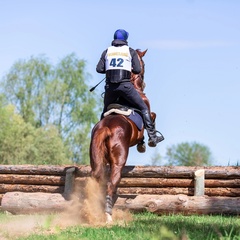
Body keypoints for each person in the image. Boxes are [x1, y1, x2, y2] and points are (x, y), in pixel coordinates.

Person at [96, 29, 164, 147]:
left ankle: (98, 138)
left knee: (105, 112)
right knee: (143, 108)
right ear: (125, 39)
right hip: (125, 87)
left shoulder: (107, 51)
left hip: (110, 89)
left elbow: (99, 69)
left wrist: (111, 69)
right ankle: (152, 137)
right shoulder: (130, 51)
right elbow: (138, 70)